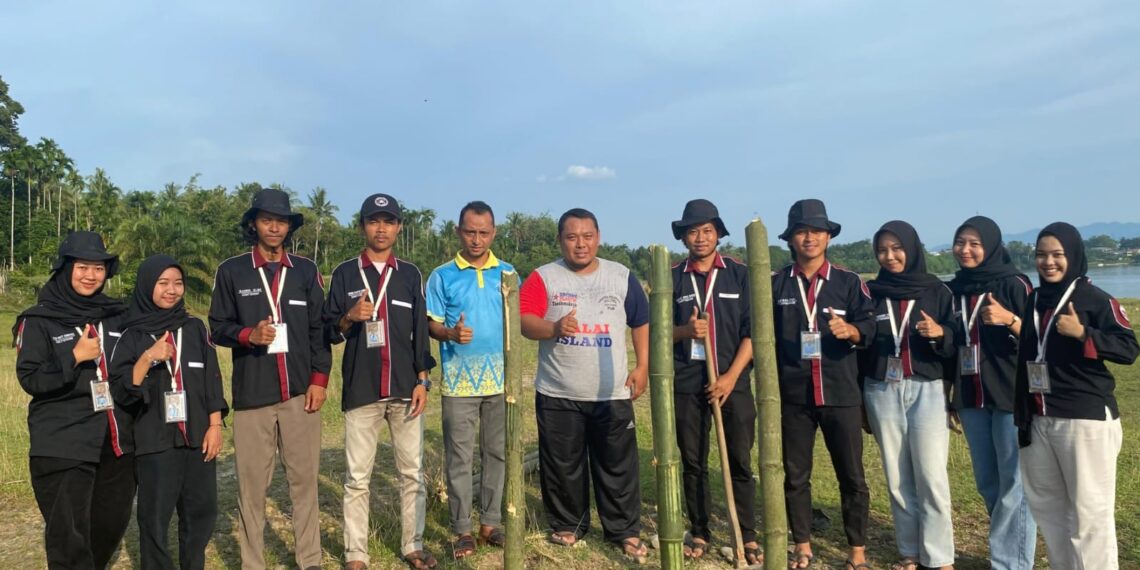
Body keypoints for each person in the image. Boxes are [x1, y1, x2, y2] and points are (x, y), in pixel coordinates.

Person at [208, 187, 332, 570]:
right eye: (266, 220)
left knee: (303, 483)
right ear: (253, 224)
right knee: (252, 489)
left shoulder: (306, 271)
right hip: (253, 396)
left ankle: (309, 560)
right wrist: (249, 335)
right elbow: (216, 327)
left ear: (289, 226)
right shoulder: (233, 271)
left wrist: (320, 379)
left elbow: (319, 330)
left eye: (281, 221)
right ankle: (253, 563)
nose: (274, 227)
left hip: (299, 394)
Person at [519, 208, 651, 562]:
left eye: (587, 236)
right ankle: (568, 524)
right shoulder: (543, 277)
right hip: (558, 391)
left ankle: (623, 530)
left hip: (611, 392)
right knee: (562, 464)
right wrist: (554, 328)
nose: (580, 244)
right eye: (572, 237)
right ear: (560, 240)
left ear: (598, 237)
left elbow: (641, 321)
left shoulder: (621, 276)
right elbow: (527, 322)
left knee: (617, 465)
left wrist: (643, 365)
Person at [1014, 223, 1138, 569]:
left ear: (1073, 255)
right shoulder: (1035, 299)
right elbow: (1028, 355)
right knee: (1050, 512)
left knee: (1090, 516)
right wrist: (1022, 416)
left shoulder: (1094, 299)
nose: (1048, 262)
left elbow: (1129, 348)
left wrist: (1083, 332)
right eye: (1041, 255)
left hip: (1084, 420)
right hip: (1039, 418)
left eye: (1057, 255)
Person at [324, 193, 436, 570]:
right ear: (363, 227)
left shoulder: (410, 274)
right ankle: (356, 553)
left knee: (411, 473)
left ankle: (413, 545)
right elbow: (329, 331)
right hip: (362, 389)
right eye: (374, 221)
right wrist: (349, 316)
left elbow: (420, 332)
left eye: (389, 221)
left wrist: (424, 382)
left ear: (399, 227)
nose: (381, 228)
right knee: (357, 478)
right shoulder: (344, 274)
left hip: (406, 391)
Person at [14, 231, 135, 569]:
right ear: (65, 268)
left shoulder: (117, 316)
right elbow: (31, 378)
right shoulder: (39, 319)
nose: (91, 276)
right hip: (64, 442)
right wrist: (74, 356)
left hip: (116, 442)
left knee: (110, 525)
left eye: (98, 269)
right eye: (83, 267)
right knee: (69, 537)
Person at [770, 199, 874, 570]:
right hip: (794, 395)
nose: (809, 238)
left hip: (840, 393)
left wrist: (852, 331)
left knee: (852, 476)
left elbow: (871, 327)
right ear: (791, 239)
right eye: (801, 231)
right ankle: (802, 545)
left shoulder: (849, 283)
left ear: (828, 236)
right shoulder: (777, 283)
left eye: (816, 231)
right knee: (796, 475)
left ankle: (857, 551)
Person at [111, 255, 228, 570]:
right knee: (154, 518)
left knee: (201, 512)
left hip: (197, 436)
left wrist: (215, 425)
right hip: (155, 440)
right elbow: (123, 390)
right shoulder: (131, 334)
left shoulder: (194, 328)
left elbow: (211, 379)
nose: (171, 290)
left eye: (178, 283)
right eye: (163, 283)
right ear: (148, 285)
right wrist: (148, 357)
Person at [860, 221, 956, 570]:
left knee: (931, 476)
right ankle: (910, 552)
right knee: (898, 476)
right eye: (882, 250)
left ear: (912, 248)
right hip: (881, 388)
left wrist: (939, 332)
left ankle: (940, 557)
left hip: (926, 388)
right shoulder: (870, 292)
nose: (890, 256)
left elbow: (956, 343)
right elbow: (861, 344)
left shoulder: (937, 292)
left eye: (897, 248)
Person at [668, 199, 759, 563]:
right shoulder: (672, 277)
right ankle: (701, 530)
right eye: (693, 231)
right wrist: (685, 330)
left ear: (718, 234)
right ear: (684, 237)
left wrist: (729, 377)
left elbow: (753, 334)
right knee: (693, 461)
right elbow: (656, 331)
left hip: (732, 382)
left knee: (739, 460)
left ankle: (746, 534)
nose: (701, 237)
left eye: (707, 230)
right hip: (689, 381)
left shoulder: (740, 274)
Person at [946, 216, 1036, 569]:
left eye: (974, 243)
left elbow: (1041, 337)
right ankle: (1009, 551)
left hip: (1010, 394)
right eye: (960, 242)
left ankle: (1010, 562)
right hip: (970, 396)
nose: (965, 250)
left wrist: (1011, 320)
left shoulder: (1014, 284)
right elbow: (953, 346)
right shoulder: (954, 290)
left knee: (1015, 482)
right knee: (988, 481)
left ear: (991, 246)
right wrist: (949, 394)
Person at [425, 201, 512, 558]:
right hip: (459, 384)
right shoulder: (442, 275)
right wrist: (449, 333)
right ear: (459, 231)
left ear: (493, 233)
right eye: (470, 231)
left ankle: (490, 523)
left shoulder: (507, 274)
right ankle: (462, 529)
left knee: (496, 453)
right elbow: (430, 324)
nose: (476, 239)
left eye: (483, 232)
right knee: (459, 457)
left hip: (499, 384)